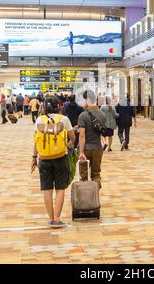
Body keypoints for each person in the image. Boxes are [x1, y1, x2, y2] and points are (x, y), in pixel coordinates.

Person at [31, 96, 75, 229]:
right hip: (60, 158)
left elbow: (36, 140)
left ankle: (50, 219)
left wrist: (34, 157)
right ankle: (57, 219)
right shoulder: (64, 119)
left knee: (47, 189)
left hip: (44, 159)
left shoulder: (39, 120)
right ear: (59, 106)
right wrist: (70, 142)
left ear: (44, 106)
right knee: (60, 189)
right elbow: (72, 137)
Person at [78, 90, 106, 188]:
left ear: (87, 99)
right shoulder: (102, 114)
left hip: (85, 148)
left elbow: (82, 136)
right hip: (98, 148)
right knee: (96, 174)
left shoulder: (83, 115)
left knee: (84, 176)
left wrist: (81, 152)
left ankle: (85, 199)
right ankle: (95, 196)